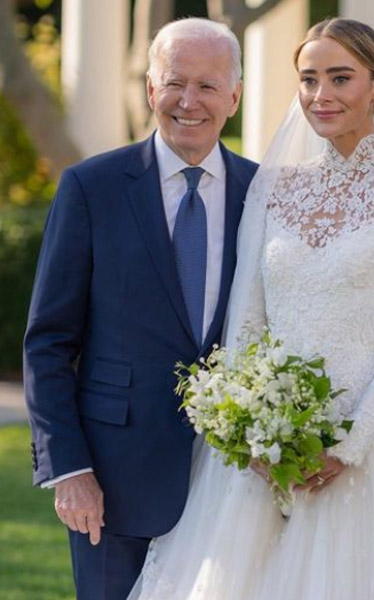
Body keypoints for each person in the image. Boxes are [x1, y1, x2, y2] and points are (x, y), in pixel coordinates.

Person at [126, 18, 374, 600]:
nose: (321, 95)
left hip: (371, 447)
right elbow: (246, 320)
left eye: (341, 78)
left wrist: (349, 443)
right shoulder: (273, 187)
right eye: (309, 78)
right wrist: (248, 435)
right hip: (259, 452)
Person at [23, 18, 257, 600]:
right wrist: (69, 470)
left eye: (207, 85)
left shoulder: (266, 194)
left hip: (235, 486)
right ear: (151, 90)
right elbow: (48, 342)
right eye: (174, 82)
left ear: (235, 94)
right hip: (112, 479)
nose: (189, 101)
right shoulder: (91, 188)